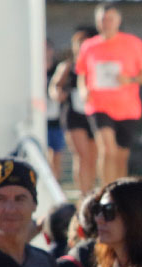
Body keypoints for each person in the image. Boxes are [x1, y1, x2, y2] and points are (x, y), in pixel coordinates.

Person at [75, 2, 142, 184]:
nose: (106, 23)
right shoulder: (88, 46)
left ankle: (119, 190)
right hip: (98, 105)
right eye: (102, 19)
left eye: (110, 19)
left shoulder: (133, 43)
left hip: (127, 108)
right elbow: (82, 74)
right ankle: (106, 190)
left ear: (118, 20)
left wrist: (130, 79)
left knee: (120, 155)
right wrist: (83, 90)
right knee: (107, 150)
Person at [50, 27, 100, 195]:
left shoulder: (96, 65)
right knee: (82, 155)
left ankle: (91, 191)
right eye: (77, 43)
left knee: (93, 158)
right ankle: (83, 193)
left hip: (93, 114)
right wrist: (58, 94)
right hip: (73, 115)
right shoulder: (68, 66)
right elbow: (54, 86)